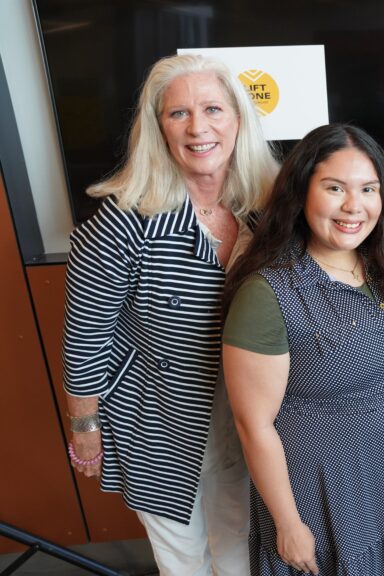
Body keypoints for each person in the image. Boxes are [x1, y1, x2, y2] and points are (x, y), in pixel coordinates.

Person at [61, 54, 279, 574]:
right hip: (157, 417)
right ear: (158, 129)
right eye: (178, 114)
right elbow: (86, 336)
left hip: (247, 410)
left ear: (238, 119)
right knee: (181, 555)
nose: (198, 127)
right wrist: (84, 425)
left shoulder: (265, 208)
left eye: (212, 109)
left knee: (240, 537)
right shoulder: (121, 222)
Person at [221, 124, 384, 576]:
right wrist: (288, 523)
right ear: (301, 194)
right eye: (334, 188)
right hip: (326, 500)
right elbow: (252, 423)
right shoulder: (269, 291)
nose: (354, 206)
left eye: (368, 189)